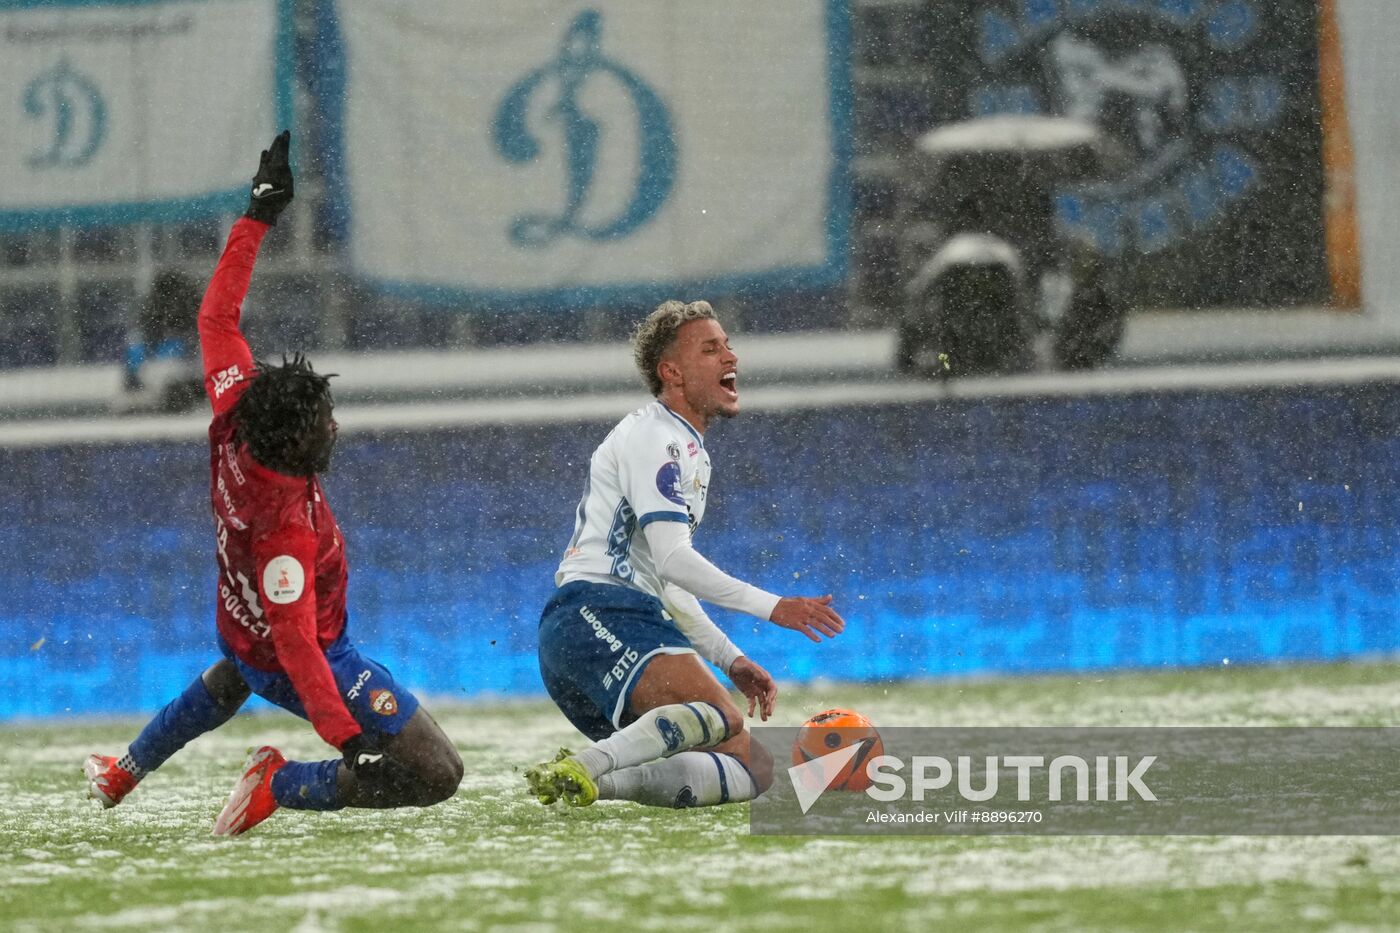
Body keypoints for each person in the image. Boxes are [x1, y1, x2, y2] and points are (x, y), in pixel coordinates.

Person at [84, 130, 462, 835]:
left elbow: (215, 316)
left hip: (237, 623)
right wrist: (348, 743)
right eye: (326, 421)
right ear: (297, 441)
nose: (335, 427)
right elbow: (298, 644)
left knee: (232, 674)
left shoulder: (236, 409)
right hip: (302, 649)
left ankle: (125, 769)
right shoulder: (285, 526)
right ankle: (281, 782)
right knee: (437, 772)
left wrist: (258, 214)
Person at [525, 299, 845, 810]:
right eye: (710, 349)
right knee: (722, 716)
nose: (729, 358)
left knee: (751, 768)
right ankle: (591, 765)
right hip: (596, 614)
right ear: (671, 372)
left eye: (728, 346)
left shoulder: (687, 448)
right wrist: (774, 607)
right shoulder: (655, 437)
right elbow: (674, 562)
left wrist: (729, 657)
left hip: (607, 625)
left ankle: (589, 778)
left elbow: (666, 578)